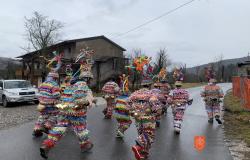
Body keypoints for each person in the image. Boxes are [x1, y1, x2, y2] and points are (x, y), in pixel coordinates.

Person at [40, 49, 95, 159]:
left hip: (64, 109)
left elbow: (64, 97)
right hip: (76, 111)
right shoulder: (82, 84)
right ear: (87, 78)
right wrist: (86, 102)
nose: (89, 81)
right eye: (89, 79)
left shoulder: (70, 85)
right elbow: (79, 99)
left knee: (60, 127)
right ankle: (85, 144)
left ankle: (47, 144)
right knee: (81, 128)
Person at [33, 53, 61, 137]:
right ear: (55, 78)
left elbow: (38, 94)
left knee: (42, 116)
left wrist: (41, 100)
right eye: (56, 79)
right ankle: (47, 126)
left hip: (42, 104)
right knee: (55, 115)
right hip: (51, 105)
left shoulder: (42, 84)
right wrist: (60, 94)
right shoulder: (54, 85)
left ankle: (37, 129)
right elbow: (56, 95)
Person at [129, 85, 160, 160]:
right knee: (149, 135)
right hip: (148, 118)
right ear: (148, 86)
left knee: (141, 133)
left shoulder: (134, 94)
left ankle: (143, 153)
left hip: (138, 118)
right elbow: (155, 106)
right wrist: (158, 112)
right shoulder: (151, 94)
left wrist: (133, 112)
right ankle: (138, 146)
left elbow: (128, 103)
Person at [114, 74, 132, 138]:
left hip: (117, 115)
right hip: (124, 113)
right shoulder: (128, 98)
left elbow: (115, 106)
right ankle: (121, 131)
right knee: (128, 122)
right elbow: (129, 107)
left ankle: (119, 133)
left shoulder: (118, 98)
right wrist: (130, 112)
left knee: (121, 123)